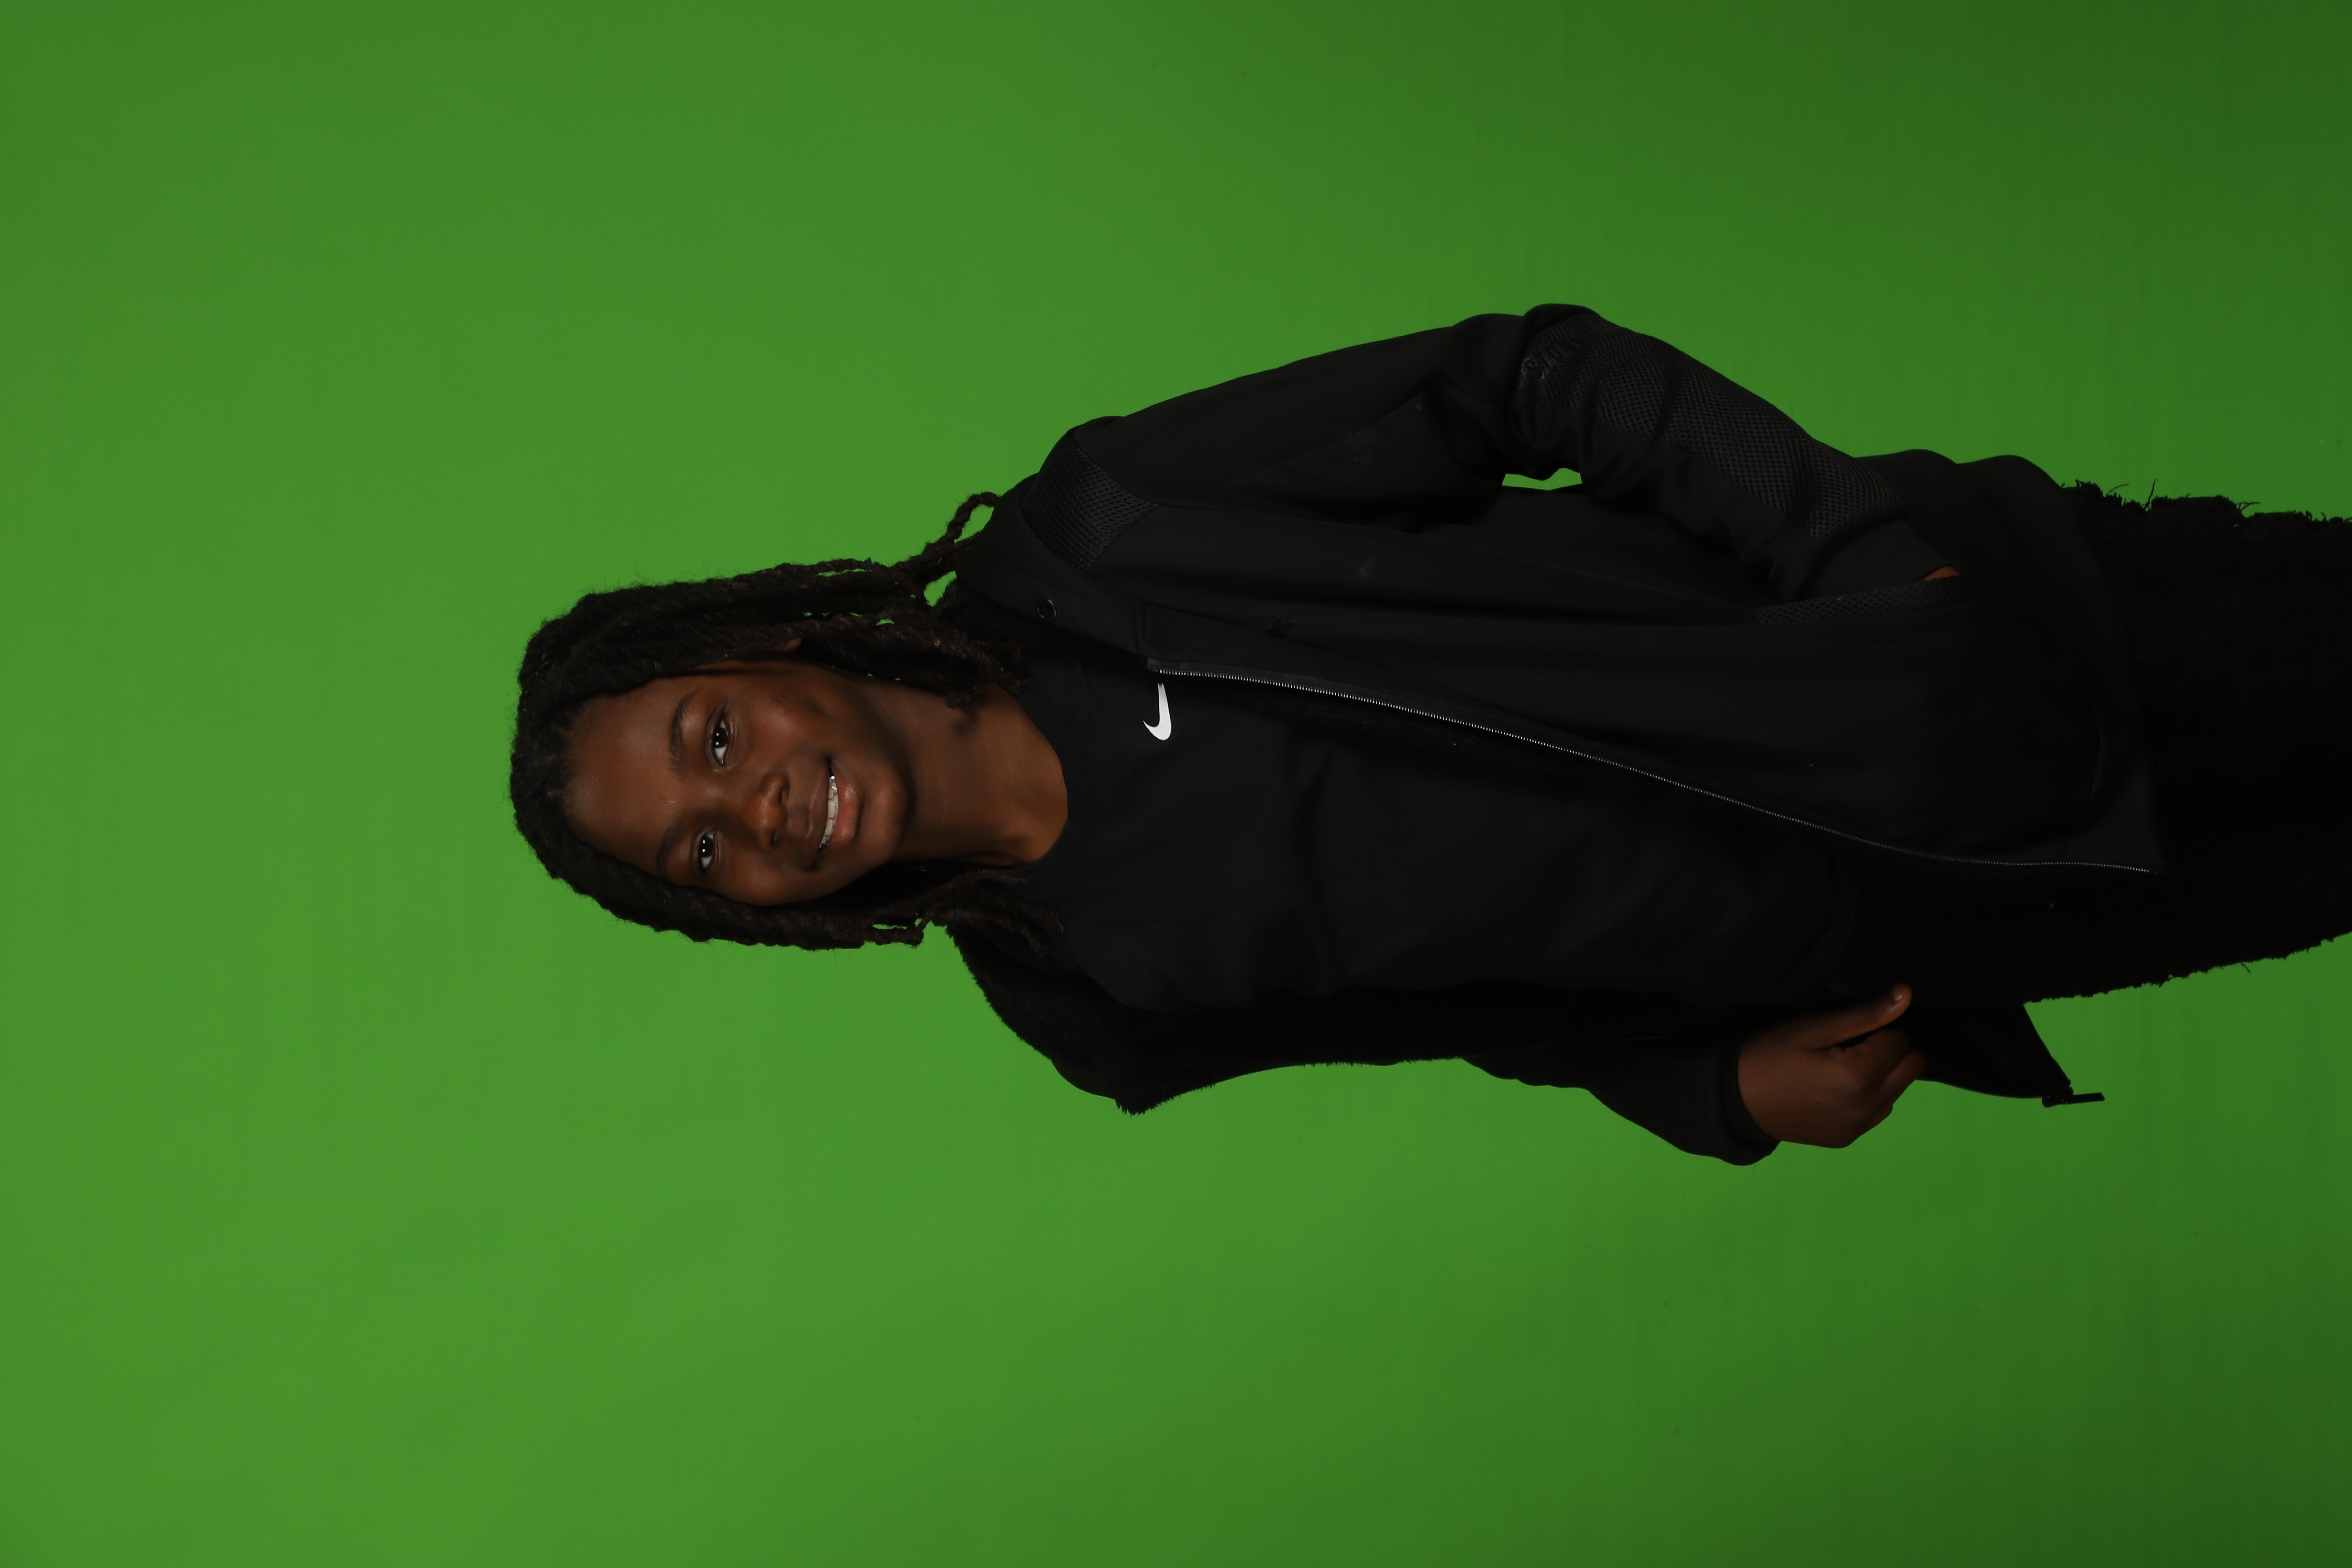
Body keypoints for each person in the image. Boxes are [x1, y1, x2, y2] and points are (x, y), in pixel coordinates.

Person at [510, 306, 2352, 1163]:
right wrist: (1710, 1090)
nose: (755, 810)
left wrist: (1864, 567)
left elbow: (1526, 379)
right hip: (1968, 903)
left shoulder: (1110, 537)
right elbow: (1476, 1004)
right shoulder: (1093, 1003)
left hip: (2019, 631)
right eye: (702, 851)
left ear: (764, 646)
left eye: (712, 738)